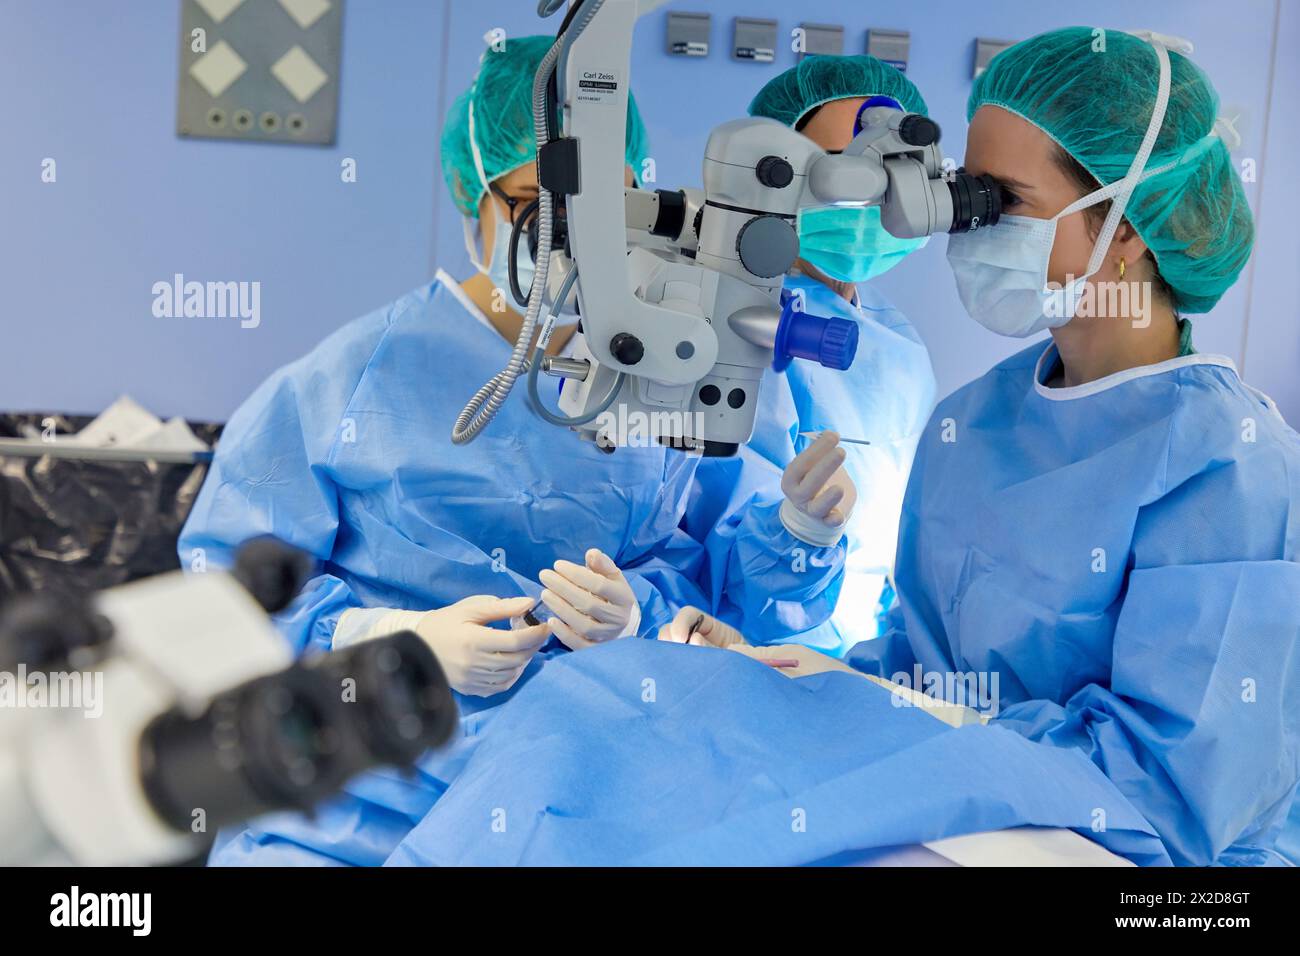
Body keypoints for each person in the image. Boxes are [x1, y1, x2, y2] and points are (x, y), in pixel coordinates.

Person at [192, 34, 858, 865]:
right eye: (545, 209)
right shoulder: (355, 378)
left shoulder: (662, 369)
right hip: (354, 801)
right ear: (478, 202)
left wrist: (782, 543)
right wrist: (392, 642)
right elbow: (220, 606)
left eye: (613, 212)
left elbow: (728, 609)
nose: (581, 242)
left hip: (588, 784)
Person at [663, 28, 1300, 867]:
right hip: (951, 805)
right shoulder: (975, 420)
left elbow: (1170, 791)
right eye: (967, 192)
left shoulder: (1232, 467)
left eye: (1004, 200)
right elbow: (912, 663)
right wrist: (802, 681)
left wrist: (932, 726)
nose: (968, 228)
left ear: (1126, 229)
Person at [692, 55, 935, 654]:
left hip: (865, 666)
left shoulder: (898, 342)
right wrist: (798, 534)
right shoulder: (726, 319)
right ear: (775, 175)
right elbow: (712, 557)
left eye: (887, 175)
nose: (866, 198)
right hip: (740, 653)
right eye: (841, 173)